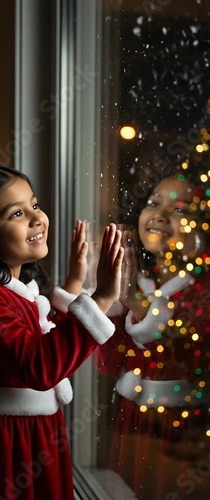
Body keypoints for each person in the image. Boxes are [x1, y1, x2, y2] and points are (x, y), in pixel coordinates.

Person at [0, 164, 124, 500]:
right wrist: (102, 298)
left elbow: (46, 344)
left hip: (32, 433)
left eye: (34, 205)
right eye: (17, 213)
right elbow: (38, 365)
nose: (37, 218)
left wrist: (74, 286)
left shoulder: (20, 288)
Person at [95, 150, 210, 499]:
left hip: (186, 431)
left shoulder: (202, 291)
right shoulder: (144, 283)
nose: (159, 216)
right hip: (133, 422)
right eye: (153, 203)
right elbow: (108, 364)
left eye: (179, 210)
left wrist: (132, 301)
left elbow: (182, 352)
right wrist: (112, 301)